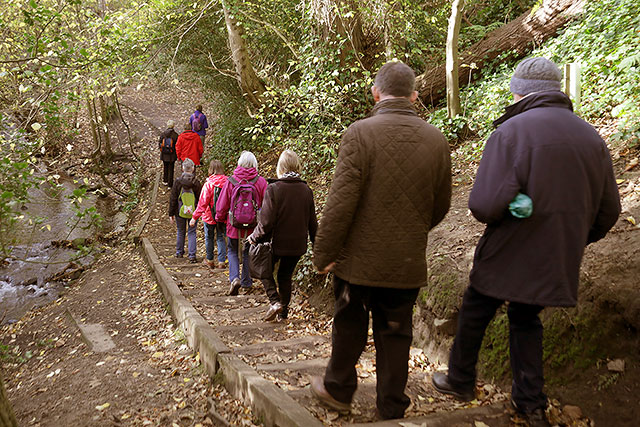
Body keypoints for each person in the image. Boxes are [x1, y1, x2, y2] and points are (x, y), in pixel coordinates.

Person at [431, 57, 621, 427]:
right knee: (525, 319)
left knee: (475, 309)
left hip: (508, 250)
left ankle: (460, 380)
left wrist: (515, 209)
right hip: (555, 255)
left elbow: (484, 205)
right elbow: (609, 210)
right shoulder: (591, 137)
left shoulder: (511, 133)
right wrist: (574, 239)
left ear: (522, 92)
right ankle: (530, 404)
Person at [310, 61, 452, 419]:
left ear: (375, 93)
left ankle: (339, 389)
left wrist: (324, 253)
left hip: (358, 263)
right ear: (415, 96)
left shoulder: (359, 134)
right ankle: (391, 404)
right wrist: (411, 230)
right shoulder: (436, 140)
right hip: (405, 262)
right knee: (396, 334)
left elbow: (341, 203)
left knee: (349, 325)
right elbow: (441, 204)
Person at [248, 150, 318, 321]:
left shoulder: (274, 189)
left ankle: (275, 302)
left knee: (264, 271)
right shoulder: (306, 190)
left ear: (281, 167)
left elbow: (266, 222)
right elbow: (312, 222)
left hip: (276, 243)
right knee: (285, 276)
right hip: (298, 245)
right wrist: (317, 245)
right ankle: (284, 314)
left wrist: (254, 237)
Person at [215, 151, 268, 296]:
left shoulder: (231, 181)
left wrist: (219, 218)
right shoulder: (260, 181)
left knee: (232, 250)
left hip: (233, 224)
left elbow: (222, 204)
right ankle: (246, 281)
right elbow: (267, 204)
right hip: (253, 225)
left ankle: (234, 278)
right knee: (247, 252)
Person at [190, 160, 228, 269]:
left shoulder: (208, 185)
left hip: (209, 216)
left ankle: (210, 260)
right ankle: (221, 262)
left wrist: (194, 217)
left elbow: (202, 203)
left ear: (211, 170)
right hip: (222, 216)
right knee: (220, 237)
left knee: (209, 237)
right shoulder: (228, 183)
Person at [168, 158, 202, 263]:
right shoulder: (196, 182)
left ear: (183, 168)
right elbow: (200, 198)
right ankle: (192, 255)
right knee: (192, 232)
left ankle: (179, 252)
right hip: (193, 211)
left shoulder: (178, 182)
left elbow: (173, 198)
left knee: (180, 230)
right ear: (192, 168)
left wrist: (171, 213)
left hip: (180, 210)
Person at [158, 120, 179, 186]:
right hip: (172, 155)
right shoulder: (175, 135)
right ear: (173, 126)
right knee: (171, 168)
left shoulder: (163, 134)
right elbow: (177, 145)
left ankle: (165, 180)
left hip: (164, 154)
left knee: (165, 167)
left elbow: (159, 143)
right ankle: (170, 183)